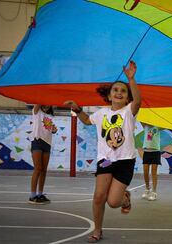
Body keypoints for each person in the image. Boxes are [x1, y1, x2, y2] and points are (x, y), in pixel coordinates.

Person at [64, 60, 141, 243]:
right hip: (105, 160)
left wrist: (131, 79)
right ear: (109, 95)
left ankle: (125, 198)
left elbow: (138, 100)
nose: (119, 93)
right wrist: (77, 108)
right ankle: (98, 230)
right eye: (115, 90)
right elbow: (87, 121)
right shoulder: (101, 113)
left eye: (123, 91)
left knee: (113, 202)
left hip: (125, 161)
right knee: (99, 196)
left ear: (127, 97)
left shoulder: (129, 111)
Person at [28, 105, 57, 204]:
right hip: (37, 141)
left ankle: (40, 194)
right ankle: (32, 195)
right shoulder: (37, 112)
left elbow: (50, 128)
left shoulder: (51, 116)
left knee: (44, 170)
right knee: (38, 168)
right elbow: (38, 101)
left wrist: (54, 130)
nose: (47, 105)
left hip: (47, 143)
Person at [141, 123, 161, 201]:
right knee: (145, 172)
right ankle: (147, 189)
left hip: (156, 151)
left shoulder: (158, 126)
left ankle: (154, 192)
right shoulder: (145, 126)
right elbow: (140, 117)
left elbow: (165, 125)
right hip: (146, 151)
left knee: (154, 172)